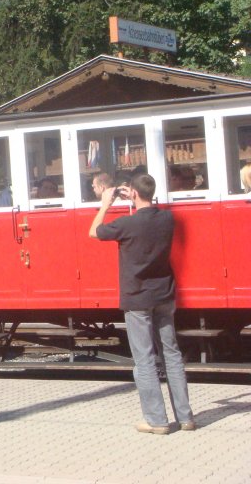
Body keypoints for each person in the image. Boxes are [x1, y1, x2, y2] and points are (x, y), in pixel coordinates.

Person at [89, 174, 195, 435]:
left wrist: (106, 203)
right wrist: (135, 195)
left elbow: (94, 231)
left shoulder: (126, 224)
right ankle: (186, 418)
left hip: (137, 299)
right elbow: (148, 209)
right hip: (164, 296)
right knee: (172, 355)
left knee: (144, 359)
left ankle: (157, 421)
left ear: (132, 193)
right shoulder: (167, 219)